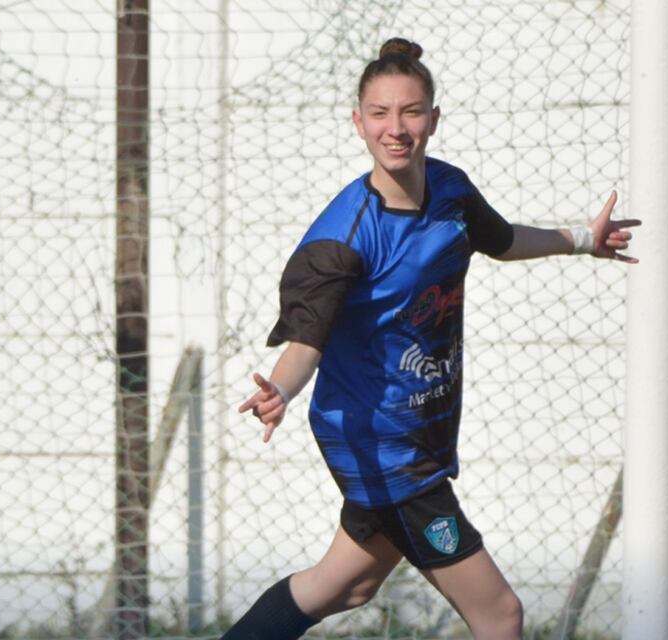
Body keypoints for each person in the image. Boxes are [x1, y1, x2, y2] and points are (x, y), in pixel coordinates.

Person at [221, 37, 640, 640]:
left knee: (343, 586)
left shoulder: (451, 192)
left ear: (433, 119)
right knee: (499, 613)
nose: (396, 128)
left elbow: (501, 240)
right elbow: (308, 341)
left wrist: (581, 239)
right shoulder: (342, 239)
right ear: (359, 123)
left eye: (411, 111)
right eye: (380, 114)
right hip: (381, 443)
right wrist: (280, 392)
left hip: (421, 430)